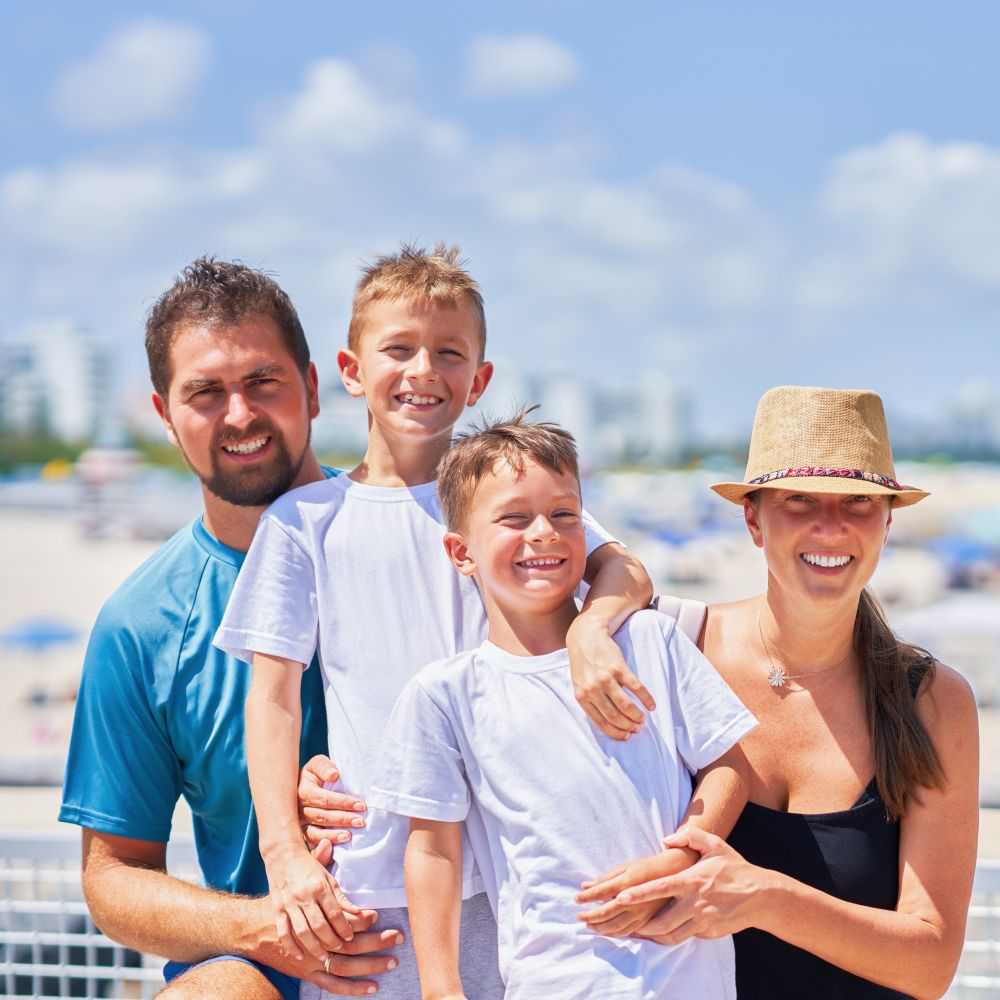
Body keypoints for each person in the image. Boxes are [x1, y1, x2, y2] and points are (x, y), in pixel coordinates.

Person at [213, 245, 654, 999]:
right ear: (351, 371)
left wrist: (590, 628)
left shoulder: (506, 500)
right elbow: (275, 696)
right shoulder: (305, 523)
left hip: (516, 857)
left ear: (478, 379)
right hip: (374, 871)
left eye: (448, 353)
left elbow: (626, 570)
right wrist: (285, 852)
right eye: (399, 349)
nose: (423, 370)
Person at [60, 258, 403, 999]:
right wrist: (262, 930)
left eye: (262, 383)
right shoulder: (141, 625)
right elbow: (114, 875)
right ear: (165, 414)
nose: (239, 415)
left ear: (312, 388)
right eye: (206, 393)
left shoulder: (419, 539)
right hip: (268, 975)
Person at [578, 386, 979, 999]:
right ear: (752, 519)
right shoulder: (669, 649)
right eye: (798, 500)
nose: (831, 526)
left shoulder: (931, 700)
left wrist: (766, 897)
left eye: (859, 502)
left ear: (888, 521)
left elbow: (929, 966)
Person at [365, 412, 757, 999]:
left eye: (564, 514)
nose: (543, 532)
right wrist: (442, 988)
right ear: (461, 552)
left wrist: (679, 859)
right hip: (552, 979)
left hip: (688, 975)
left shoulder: (650, 642)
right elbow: (433, 848)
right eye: (514, 518)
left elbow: (731, 767)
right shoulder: (447, 695)